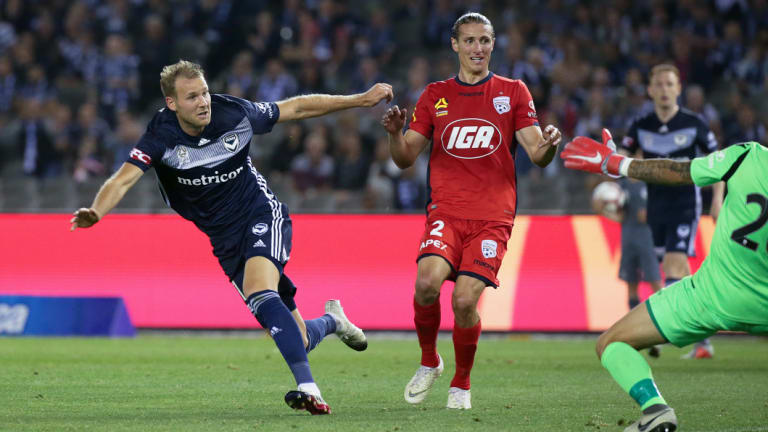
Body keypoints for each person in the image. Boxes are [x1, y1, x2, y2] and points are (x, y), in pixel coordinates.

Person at [70, 60, 393, 415]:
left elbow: (296, 107)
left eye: (205, 92)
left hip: (260, 214)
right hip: (224, 240)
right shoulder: (160, 136)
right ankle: (334, 321)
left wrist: (360, 99)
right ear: (172, 103)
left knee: (260, 291)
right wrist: (98, 211)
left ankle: (309, 388)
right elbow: (122, 179)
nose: (203, 101)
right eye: (192, 97)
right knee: (293, 336)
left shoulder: (234, 113)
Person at [380, 12, 562, 410]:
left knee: (464, 302)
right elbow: (406, 158)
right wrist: (395, 134)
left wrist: (549, 144)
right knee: (426, 283)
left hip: (493, 218)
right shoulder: (435, 95)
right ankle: (430, 361)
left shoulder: (513, 92)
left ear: (493, 44)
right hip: (445, 212)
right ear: (455, 45)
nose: (477, 48)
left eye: (484, 40)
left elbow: (536, 153)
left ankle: (461, 383)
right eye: (469, 41)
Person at [561, 129, 768, 432]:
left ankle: (654, 409)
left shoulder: (748, 156)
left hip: (710, 297)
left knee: (612, 343)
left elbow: (678, 172)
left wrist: (618, 163)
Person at [620, 64, 721, 359]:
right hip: (656, 205)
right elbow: (622, 159)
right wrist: (614, 168)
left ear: (678, 89)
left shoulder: (694, 123)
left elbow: (719, 162)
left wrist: (717, 198)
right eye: (659, 85)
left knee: (675, 266)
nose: (664, 90)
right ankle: (703, 341)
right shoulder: (640, 125)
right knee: (680, 276)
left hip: (685, 203)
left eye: (669, 84)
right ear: (650, 91)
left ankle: (664, 330)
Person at [594, 178, 664, 357]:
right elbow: (618, 214)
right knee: (631, 285)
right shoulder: (622, 185)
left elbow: (662, 208)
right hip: (628, 239)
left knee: (656, 284)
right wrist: (604, 210)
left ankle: (662, 330)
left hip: (648, 239)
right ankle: (635, 332)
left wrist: (651, 214)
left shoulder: (649, 183)